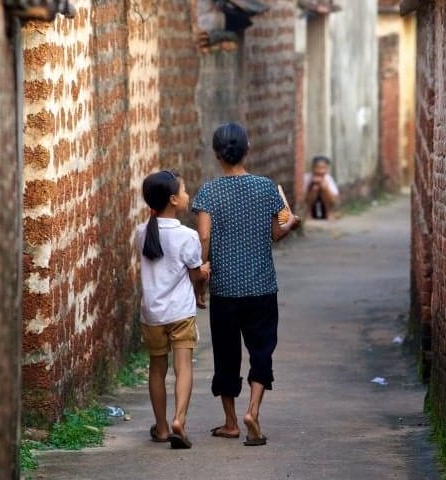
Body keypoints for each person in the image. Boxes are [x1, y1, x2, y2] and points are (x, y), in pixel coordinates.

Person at [192, 122, 299, 447]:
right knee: (261, 350)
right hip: (262, 286)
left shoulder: (208, 192)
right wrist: (291, 223)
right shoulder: (267, 188)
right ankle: (253, 411)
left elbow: (204, 236)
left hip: (225, 288)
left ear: (216, 154)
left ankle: (231, 422)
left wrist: (201, 277)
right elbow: (279, 230)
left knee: (226, 355)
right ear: (247, 149)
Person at [135, 170, 211, 450]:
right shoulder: (187, 236)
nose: (188, 195)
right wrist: (204, 271)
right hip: (180, 313)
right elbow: (195, 276)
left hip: (152, 314)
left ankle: (163, 428)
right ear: (173, 200)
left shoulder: (141, 233)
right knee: (183, 367)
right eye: (184, 191)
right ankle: (180, 419)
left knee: (157, 369)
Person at [303, 155, 340, 219]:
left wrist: (326, 189)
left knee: (324, 187)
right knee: (315, 188)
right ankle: (308, 213)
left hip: (325, 206)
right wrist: (311, 185)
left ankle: (329, 213)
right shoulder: (307, 177)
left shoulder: (328, 178)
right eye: (318, 168)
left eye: (323, 168)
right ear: (313, 168)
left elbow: (336, 198)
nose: (320, 171)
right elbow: (302, 196)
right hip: (311, 206)